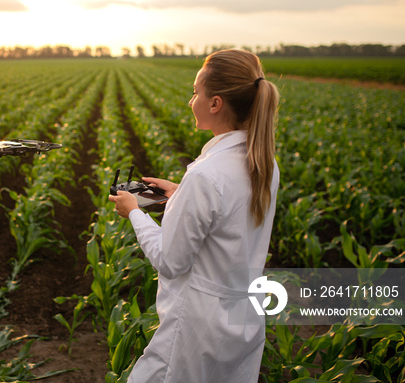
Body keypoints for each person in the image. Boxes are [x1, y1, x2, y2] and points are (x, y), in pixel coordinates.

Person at [108, 49, 280, 382]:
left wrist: (133, 212)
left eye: (196, 92)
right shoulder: (263, 163)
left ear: (215, 103)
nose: (191, 101)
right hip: (243, 318)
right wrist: (180, 193)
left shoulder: (206, 176)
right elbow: (229, 214)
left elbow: (170, 261)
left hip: (199, 326)